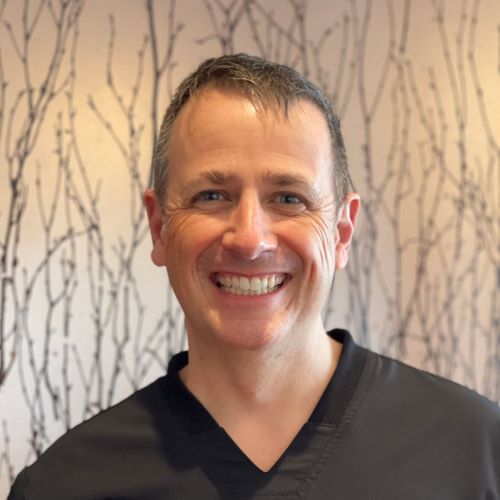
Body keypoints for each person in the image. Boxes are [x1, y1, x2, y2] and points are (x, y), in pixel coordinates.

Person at [8, 53, 500, 500]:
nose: (249, 239)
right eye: (211, 196)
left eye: (289, 198)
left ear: (342, 231)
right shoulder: (63, 485)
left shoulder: (476, 452)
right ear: (159, 227)